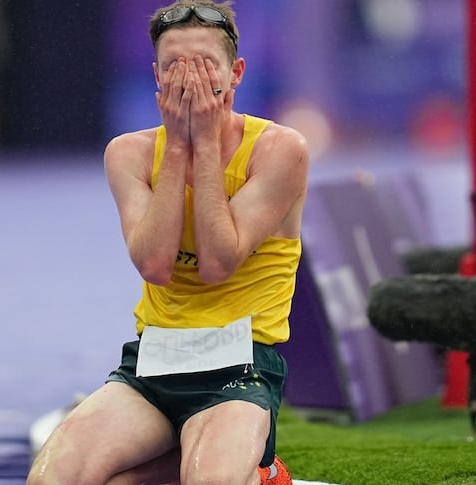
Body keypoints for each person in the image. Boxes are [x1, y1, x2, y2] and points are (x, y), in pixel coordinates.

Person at [27, 1, 309, 483]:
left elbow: (218, 261)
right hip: (154, 363)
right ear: (156, 76)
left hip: (241, 367)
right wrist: (179, 145)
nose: (190, 80)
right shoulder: (129, 153)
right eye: (176, 66)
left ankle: (254, 469)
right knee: (53, 479)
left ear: (235, 73)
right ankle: (232, 463)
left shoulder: (279, 149)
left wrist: (205, 142)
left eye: (204, 66)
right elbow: (155, 264)